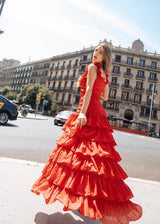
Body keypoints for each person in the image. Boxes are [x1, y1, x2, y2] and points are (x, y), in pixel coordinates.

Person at [31, 43, 142, 223]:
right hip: (99, 111)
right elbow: (105, 97)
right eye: (95, 51)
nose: (94, 54)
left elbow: (89, 89)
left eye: (99, 52)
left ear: (105, 56)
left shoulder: (92, 68)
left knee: (74, 153)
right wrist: (104, 80)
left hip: (88, 110)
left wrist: (82, 112)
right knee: (92, 157)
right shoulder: (105, 74)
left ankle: (73, 191)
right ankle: (88, 196)